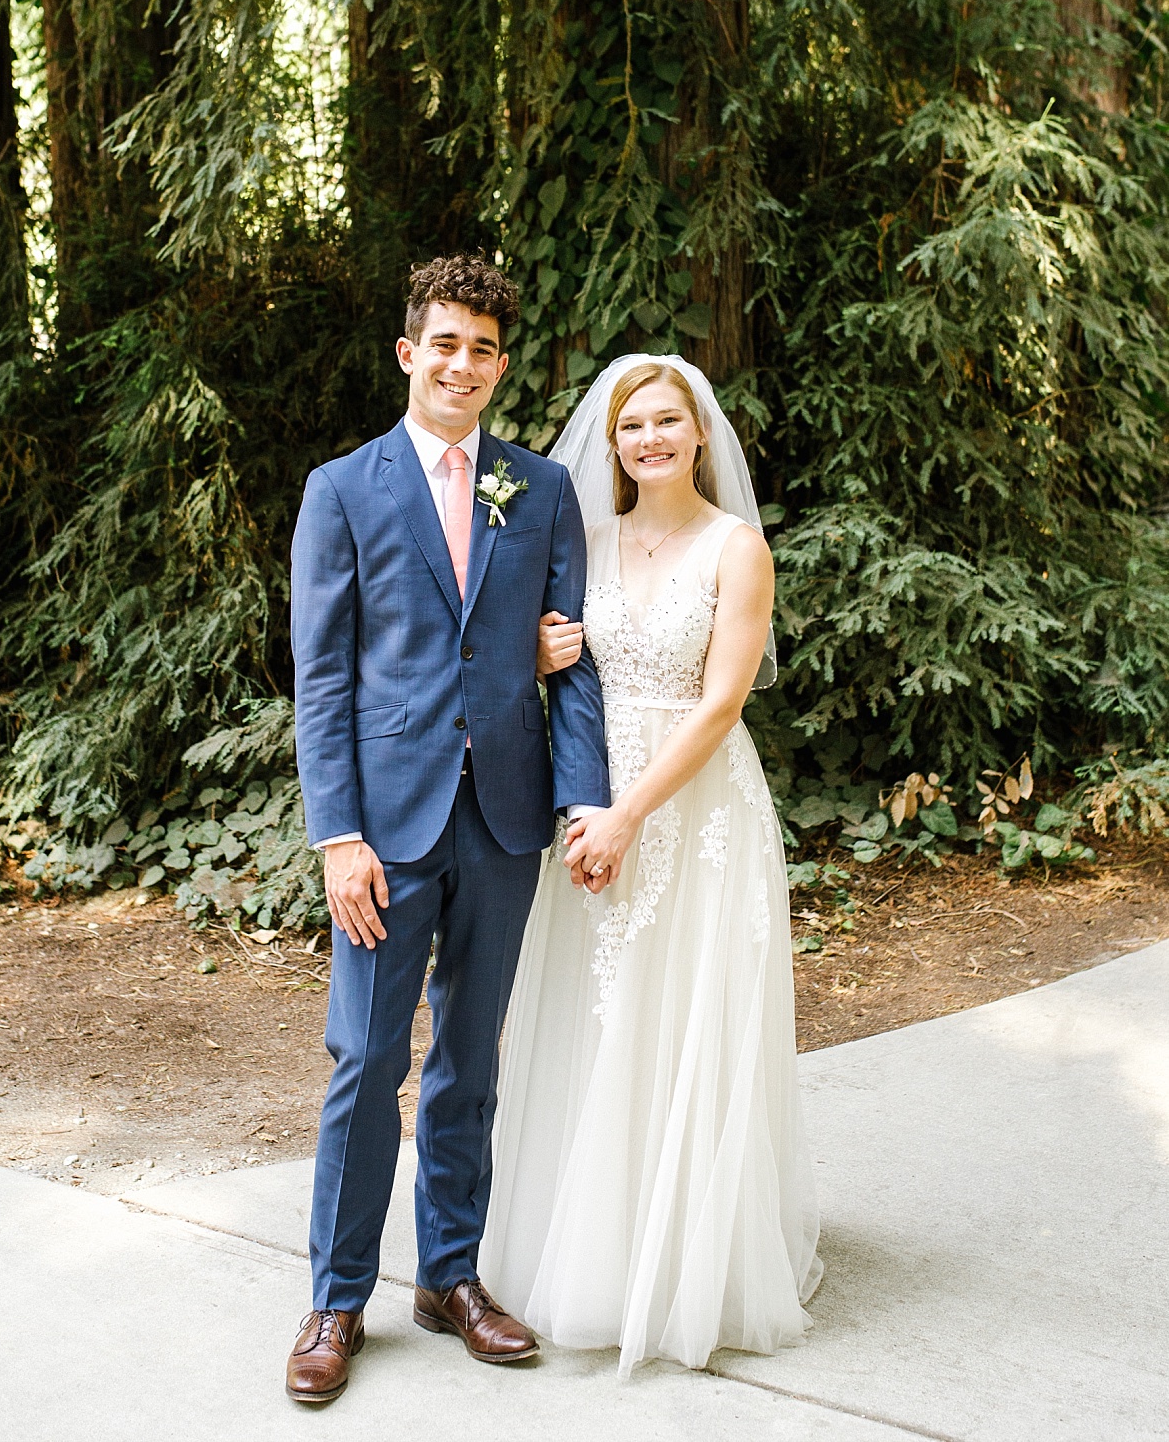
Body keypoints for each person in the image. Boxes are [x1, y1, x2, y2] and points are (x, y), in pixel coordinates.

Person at [283, 254, 610, 1404]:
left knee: (472, 1060)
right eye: (443, 342)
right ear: (406, 352)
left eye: (481, 347)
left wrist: (580, 804)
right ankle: (334, 1299)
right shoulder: (343, 489)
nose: (460, 363)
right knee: (365, 1063)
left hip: (505, 819)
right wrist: (337, 837)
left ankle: (450, 1276)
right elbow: (321, 679)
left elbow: (566, 665)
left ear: (500, 364)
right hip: (386, 825)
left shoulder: (539, 491)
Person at [485, 355, 821, 1373]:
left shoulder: (736, 548)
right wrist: (546, 655)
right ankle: (587, 1246)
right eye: (631, 427)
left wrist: (630, 812)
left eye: (666, 422)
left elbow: (722, 702)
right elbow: (550, 658)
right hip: (588, 793)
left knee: (681, 1015)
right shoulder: (578, 540)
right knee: (591, 1012)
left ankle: (685, 1266)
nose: (648, 440)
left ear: (699, 433)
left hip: (690, 801)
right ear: (613, 442)